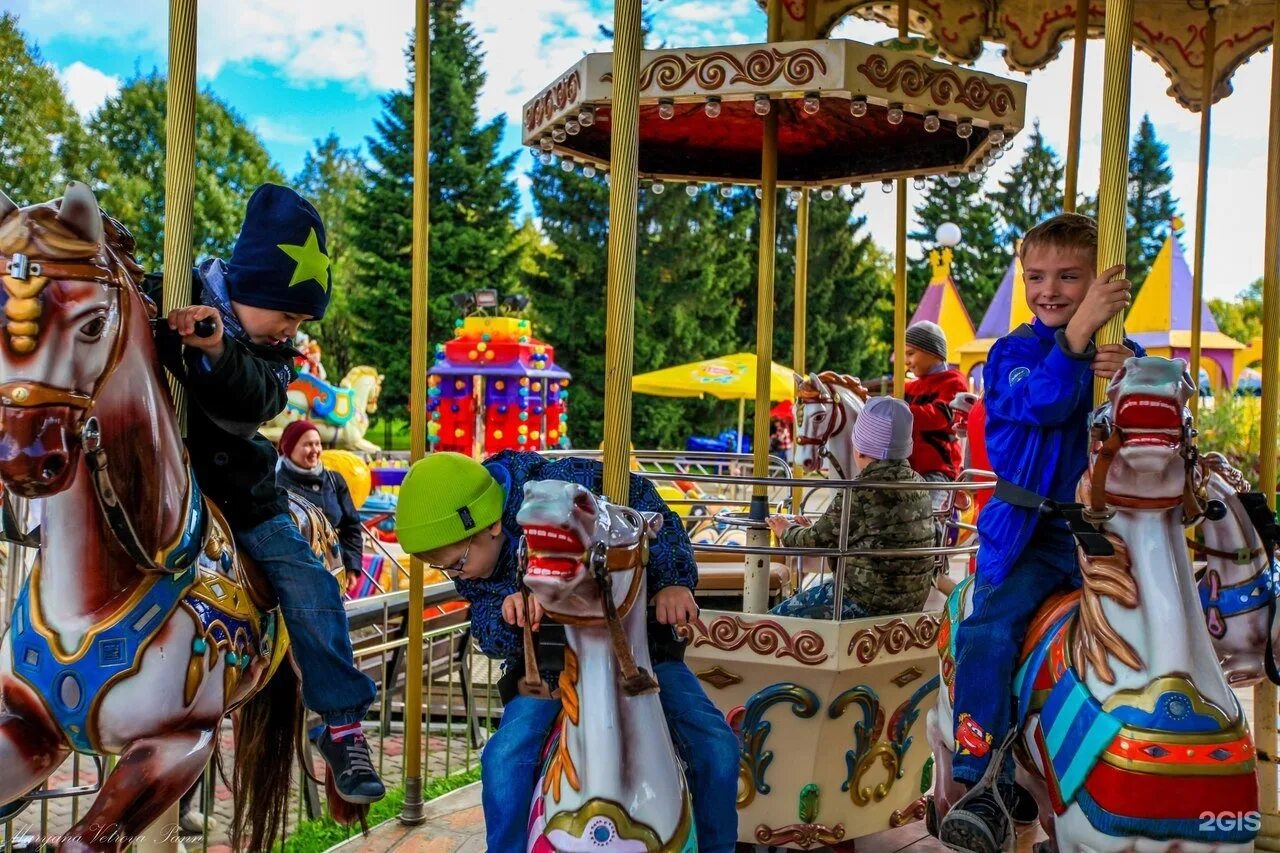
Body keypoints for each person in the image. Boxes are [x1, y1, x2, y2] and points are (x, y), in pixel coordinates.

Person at [156, 184, 383, 805]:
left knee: (310, 581)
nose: (292, 329)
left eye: (300, 321)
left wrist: (214, 349)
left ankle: (340, 723)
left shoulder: (273, 355)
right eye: (287, 313)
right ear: (250, 288)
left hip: (238, 495)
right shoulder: (170, 293)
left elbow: (256, 397)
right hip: (146, 484)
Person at [394, 451, 740, 852]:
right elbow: (486, 627)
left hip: (640, 647)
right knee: (503, 759)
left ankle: (719, 846)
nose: (458, 576)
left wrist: (674, 583)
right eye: (448, 571)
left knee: (716, 746)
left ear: (488, 525)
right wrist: (509, 613)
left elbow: (648, 512)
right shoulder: (478, 566)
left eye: (457, 564)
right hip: (552, 665)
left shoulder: (567, 483)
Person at [938, 213, 1142, 853]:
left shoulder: (1114, 357)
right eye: (1036, 277)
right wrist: (1080, 336)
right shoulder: (1011, 355)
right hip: (1030, 531)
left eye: (1070, 277)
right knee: (989, 630)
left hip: (1099, 531)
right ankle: (982, 778)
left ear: (1101, 283)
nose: (1049, 290)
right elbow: (1045, 403)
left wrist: (1132, 375)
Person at [765, 396, 936, 619]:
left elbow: (815, 540)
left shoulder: (859, 491)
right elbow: (868, 533)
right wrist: (813, 529)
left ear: (860, 450)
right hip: (909, 601)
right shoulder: (919, 483)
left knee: (771, 623)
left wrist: (785, 530)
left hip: (863, 600)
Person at [276, 419, 364, 577]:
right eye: (307, 444)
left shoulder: (334, 480)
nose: (315, 449)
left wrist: (351, 566)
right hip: (295, 574)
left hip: (335, 569)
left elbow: (351, 527)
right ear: (289, 448)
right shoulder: (276, 484)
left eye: (318, 443)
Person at [902, 321, 970, 513]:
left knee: (927, 513)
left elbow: (941, 416)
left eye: (910, 353)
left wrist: (900, 410)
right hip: (908, 466)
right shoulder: (909, 386)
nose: (906, 361)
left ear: (933, 353)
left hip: (937, 467)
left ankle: (934, 536)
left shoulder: (953, 381)